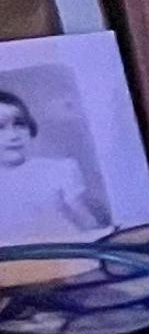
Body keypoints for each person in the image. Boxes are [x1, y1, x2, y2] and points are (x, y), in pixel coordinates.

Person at [0, 88, 108, 239]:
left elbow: (85, 219)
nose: (13, 135)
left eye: (19, 124)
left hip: (63, 253)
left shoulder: (58, 169)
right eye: (1, 128)